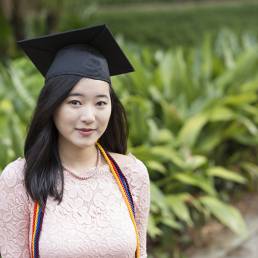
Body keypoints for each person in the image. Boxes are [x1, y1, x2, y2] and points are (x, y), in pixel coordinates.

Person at [0, 24, 150, 258]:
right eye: (75, 102)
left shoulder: (132, 174)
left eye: (100, 103)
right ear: (52, 105)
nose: (89, 117)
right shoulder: (20, 179)